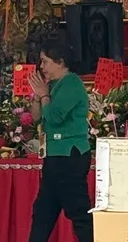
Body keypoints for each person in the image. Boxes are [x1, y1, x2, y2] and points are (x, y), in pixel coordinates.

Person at [27, 39, 93, 242]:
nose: (41, 67)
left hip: (69, 155)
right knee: (43, 211)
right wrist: (38, 96)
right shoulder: (52, 85)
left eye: (45, 61)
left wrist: (44, 95)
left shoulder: (72, 83)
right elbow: (37, 117)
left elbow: (55, 117)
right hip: (54, 155)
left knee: (78, 211)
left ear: (60, 62)